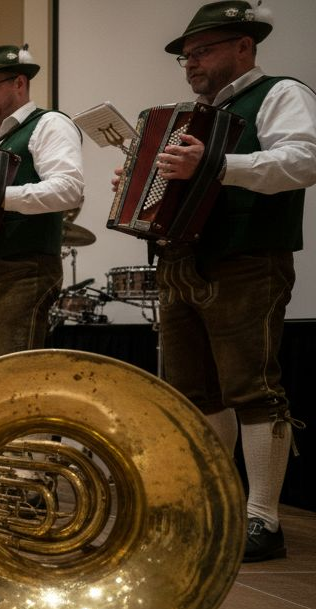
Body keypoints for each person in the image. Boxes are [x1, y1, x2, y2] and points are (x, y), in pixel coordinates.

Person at [143, 1, 316, 561]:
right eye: (187, 56)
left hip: (248, 258)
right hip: (183, 262)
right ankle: (220, 505)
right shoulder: (192, 116)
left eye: (204, 50)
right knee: (198, 393)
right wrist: (144, 182)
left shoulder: (281, 92)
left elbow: (305, 159)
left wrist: (219, 165)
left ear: (245, 45)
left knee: (252, 388)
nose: (192, 63)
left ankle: (263, 519)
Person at [0, 44, 84, 371]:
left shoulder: (49, 123)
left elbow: (69, 190)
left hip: (22, 271)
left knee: (17, 381)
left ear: (20, 84)